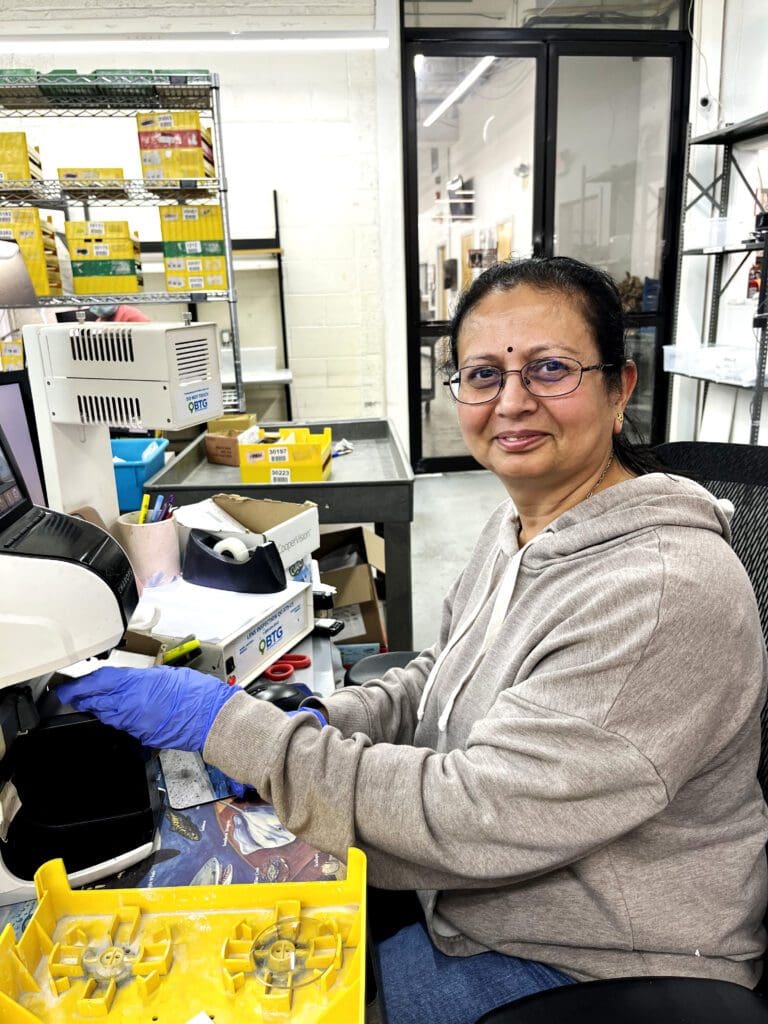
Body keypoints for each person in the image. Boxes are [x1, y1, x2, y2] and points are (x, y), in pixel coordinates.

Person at [56, 256, 768, 1024]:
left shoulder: (661, 590)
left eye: (550, 369)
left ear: (619, 386)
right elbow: (441, 674)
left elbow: (478, 814)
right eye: (483, 374)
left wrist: (235, 729)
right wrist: (324, 723)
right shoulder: (528, 525)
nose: (513, 403)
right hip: (480, 902)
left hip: (591, 961)